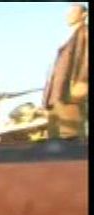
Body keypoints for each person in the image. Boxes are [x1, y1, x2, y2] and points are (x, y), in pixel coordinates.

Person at [44, 3, 89, 140]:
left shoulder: (85, 33)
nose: (68, 16)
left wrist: (83, 81)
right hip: (56, 94)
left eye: (73, 12)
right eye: (68, 13)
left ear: (84, 15)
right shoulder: (71, 38)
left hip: (70, 93)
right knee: (55, 140)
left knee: (71, 136)